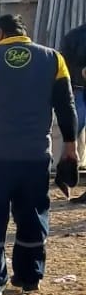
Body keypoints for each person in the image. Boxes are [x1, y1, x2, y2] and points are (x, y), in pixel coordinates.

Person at [0, 15, 78, 295]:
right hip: (33, 157)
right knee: (32, 216)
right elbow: (66, 105)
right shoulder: (53, 59)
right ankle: (29, 277)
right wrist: (70, 147)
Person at [59, 21, 86, 203]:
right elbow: (63, 63)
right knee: (70, 136)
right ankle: (64, 177)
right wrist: (80, 72)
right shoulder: (75, 36)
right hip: (79, 91)